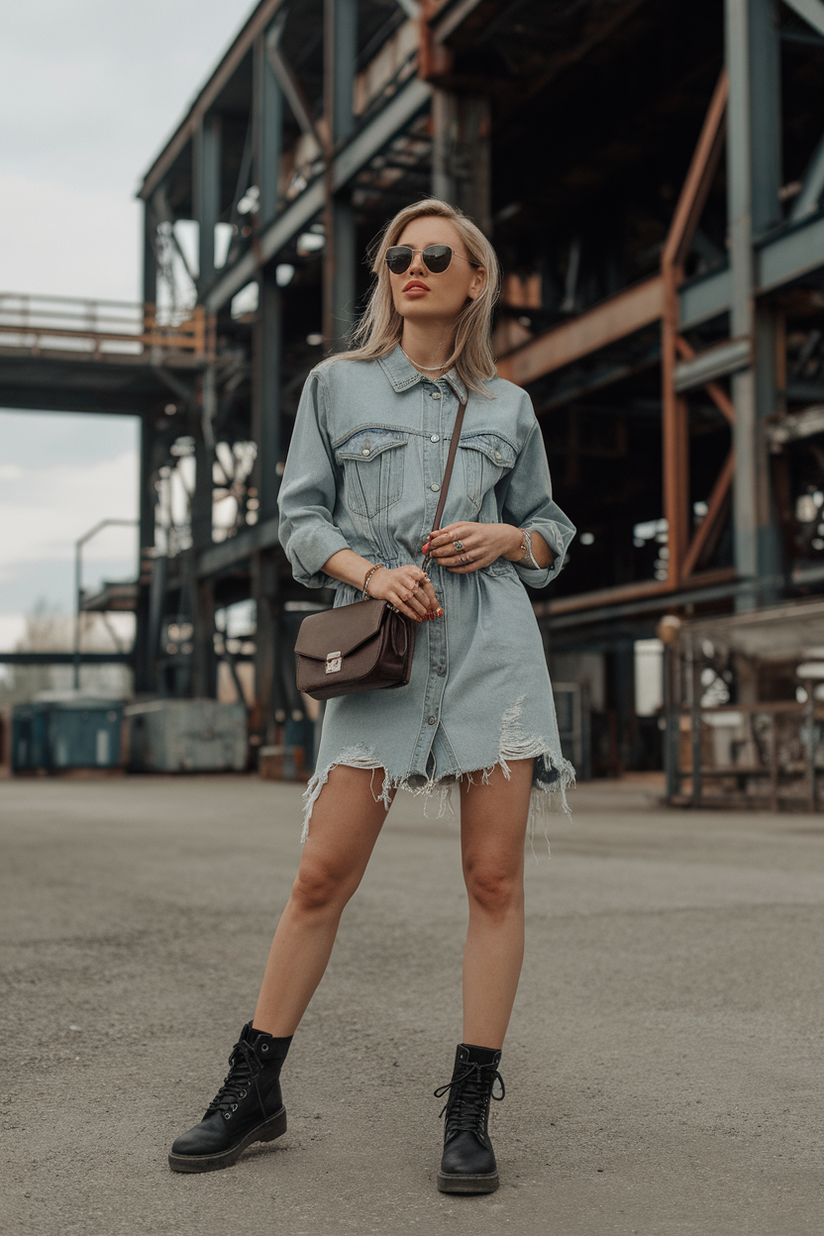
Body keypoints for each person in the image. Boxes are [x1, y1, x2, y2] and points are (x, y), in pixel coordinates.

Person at [168, 198, 576, 1193]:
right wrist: (366, 572)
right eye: (398, 254)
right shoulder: (336, 387)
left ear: (474, 279)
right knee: (320, 877)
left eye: (436, 255)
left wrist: (506, 541)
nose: (412, 267)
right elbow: (298, 517)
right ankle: (252, 1084)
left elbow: (551, 530)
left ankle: (470, 1109)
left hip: (491, 655)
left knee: (493, 882)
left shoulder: (507, 410)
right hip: (383, 652)